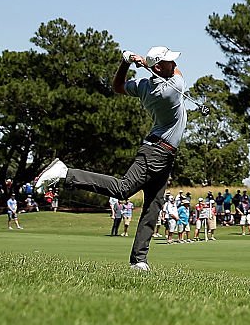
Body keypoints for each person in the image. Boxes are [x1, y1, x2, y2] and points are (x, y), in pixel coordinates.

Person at [34, 47, 187, 271]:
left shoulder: (144, 86)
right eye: (168, 62)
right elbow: (178, 74)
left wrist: (126, 63)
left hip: (163, 156)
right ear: (158, 67)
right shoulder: (170, 90)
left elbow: (117, 86)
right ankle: (65, 174)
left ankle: (139, 260)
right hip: (155, 153)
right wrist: (145, 63)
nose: (173, 64)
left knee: (153, 207)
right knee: (123, 189)